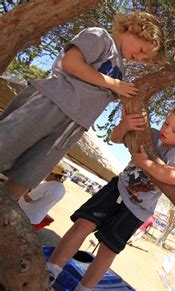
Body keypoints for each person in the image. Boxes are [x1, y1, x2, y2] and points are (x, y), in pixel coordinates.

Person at [47, 106, 175, 291]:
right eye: (167, 123)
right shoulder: (150, 134)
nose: (167, 130)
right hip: (117, 188)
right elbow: (116, 137)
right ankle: (51, 271)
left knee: (108, 251)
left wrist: (144, 162)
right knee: (82, 225)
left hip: (137, 210)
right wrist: (125, 125)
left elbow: (173, 176)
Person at [0, 11, 166, 201]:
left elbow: (99, 94)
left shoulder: (122, 69)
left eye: (144, 59)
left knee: (28, 174)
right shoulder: (100, 37)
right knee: (5, 143)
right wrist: (114, 84)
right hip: (52, 102)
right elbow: (70, 63)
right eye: (143, 51)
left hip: (73, 125)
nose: (139, 58)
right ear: (134, 29)